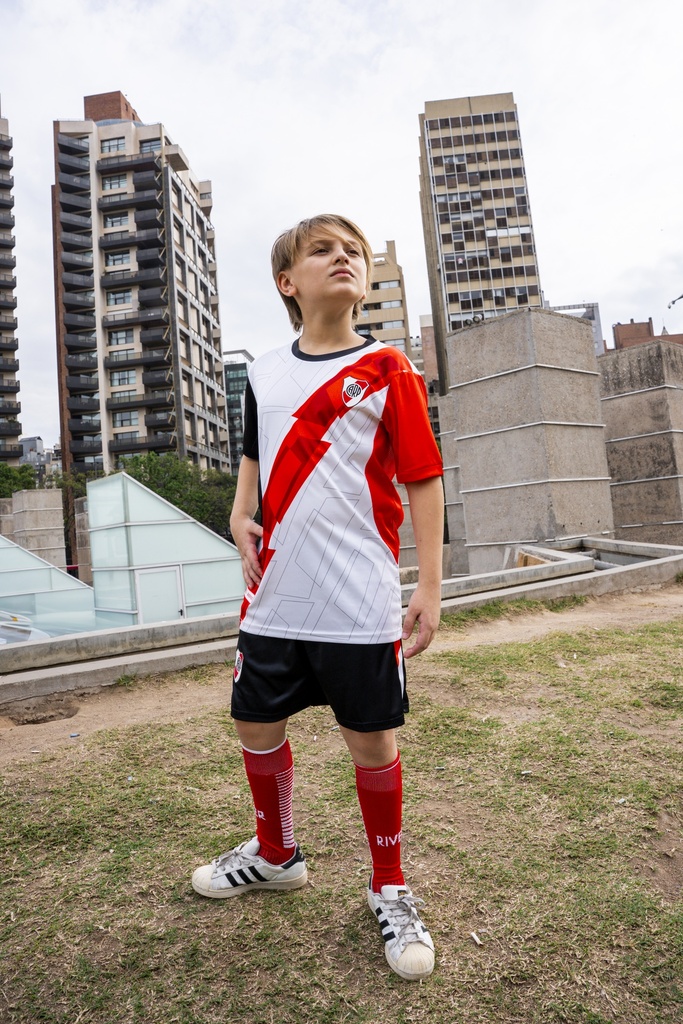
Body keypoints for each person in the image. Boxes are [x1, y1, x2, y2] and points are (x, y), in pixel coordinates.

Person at [191, 214, 444, 982]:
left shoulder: (389, 367)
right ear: (287, 282)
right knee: (253, 721)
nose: (343, 258)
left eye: (353, 251)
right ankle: (276, 855)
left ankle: (388, 885)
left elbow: (422, 478)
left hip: (358, 597)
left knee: (370, 741)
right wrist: (240, 511)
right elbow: (252, 453)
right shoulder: (264, 372)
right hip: (272, 596)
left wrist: (430, 584)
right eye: (323, 250)